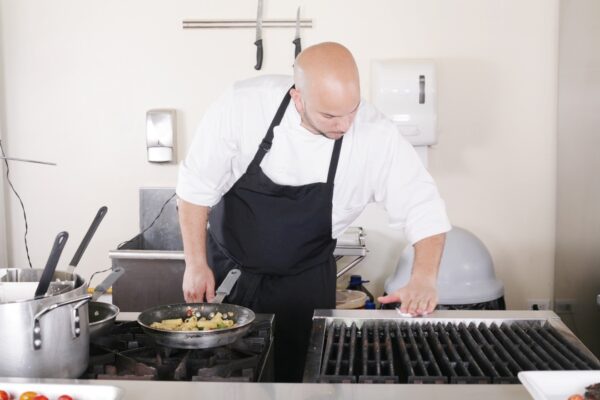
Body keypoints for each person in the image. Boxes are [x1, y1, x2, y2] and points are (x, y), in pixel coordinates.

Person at [176, 42, 451, 382]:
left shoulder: (375, 135)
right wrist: (195, 263)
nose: (345, 125)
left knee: (301, 379)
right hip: (229, 276)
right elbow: (194, 187)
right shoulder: (244, 105)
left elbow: (422, 204)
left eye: (352, 110)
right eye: (330, 116)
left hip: (305, 283)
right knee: (220, 377)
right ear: (298, 98)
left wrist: (423, 277)